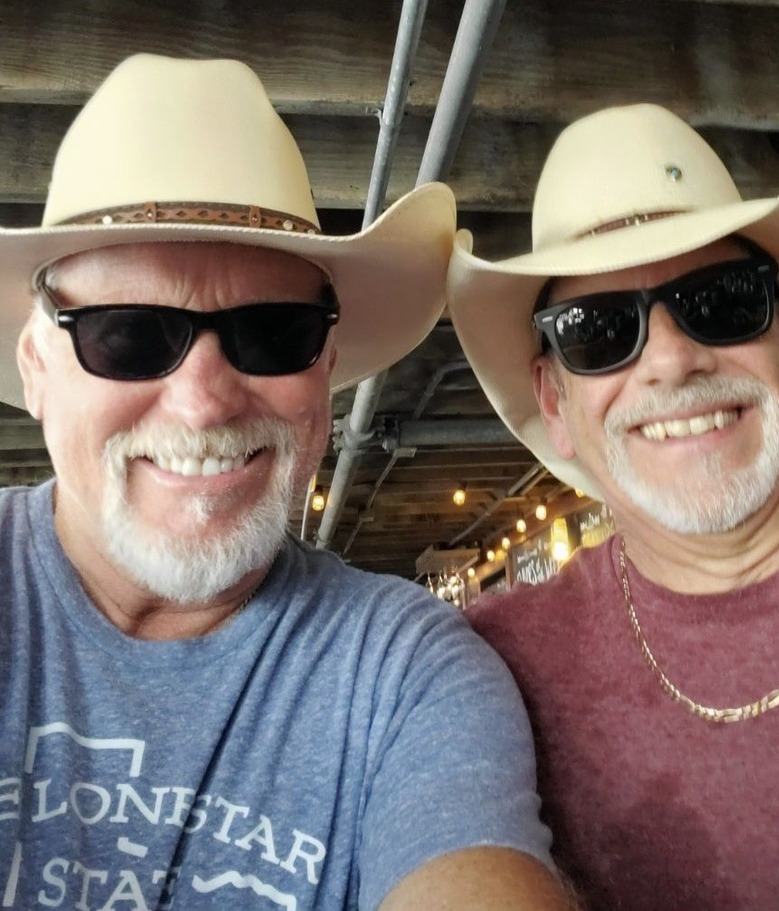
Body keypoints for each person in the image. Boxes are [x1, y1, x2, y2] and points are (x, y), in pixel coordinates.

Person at [0, 54, 579, 911]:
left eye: (273, 333)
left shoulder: (405, 671)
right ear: (37, 367)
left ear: (326, 365)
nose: (203, 402)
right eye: (127, 335)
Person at [446, 104, 779, 909]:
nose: (671, 359)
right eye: (599, 330)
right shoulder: (477, 674)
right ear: (555, 402)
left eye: (722, 301)